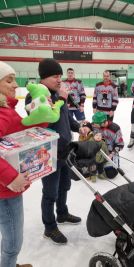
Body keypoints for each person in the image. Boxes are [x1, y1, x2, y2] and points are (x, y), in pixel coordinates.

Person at [25, 58, 86, 245]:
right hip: (49, 152)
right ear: (43, 77)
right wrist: (61, 99)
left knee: (65, 186)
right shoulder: (36, 96)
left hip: (65, 150)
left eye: (60, 76)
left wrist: (79, 127)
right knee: (50, 192)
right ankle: (49, 227)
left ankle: (62, 213)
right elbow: (46, 121)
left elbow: (65, 118)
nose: (59, 79)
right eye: (55, 76)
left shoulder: (58, 94)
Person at [0, 61, 39, 267]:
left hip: (7, 187)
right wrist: (11, 177)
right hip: (5, 190)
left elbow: (21, 132)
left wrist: (41, 119)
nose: (16, 85)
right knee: (13, 241)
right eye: (9, 80)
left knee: (10, 237)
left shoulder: (7, 109)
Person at [92, 111, 124, 176]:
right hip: (98, 151)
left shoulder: (115, 128)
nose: (94, 125)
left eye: (96, 124)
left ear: (103, 123)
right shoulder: (95, 126)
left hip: (110, 153)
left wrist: (112, 153)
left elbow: (120, 144)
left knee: (111, 174)